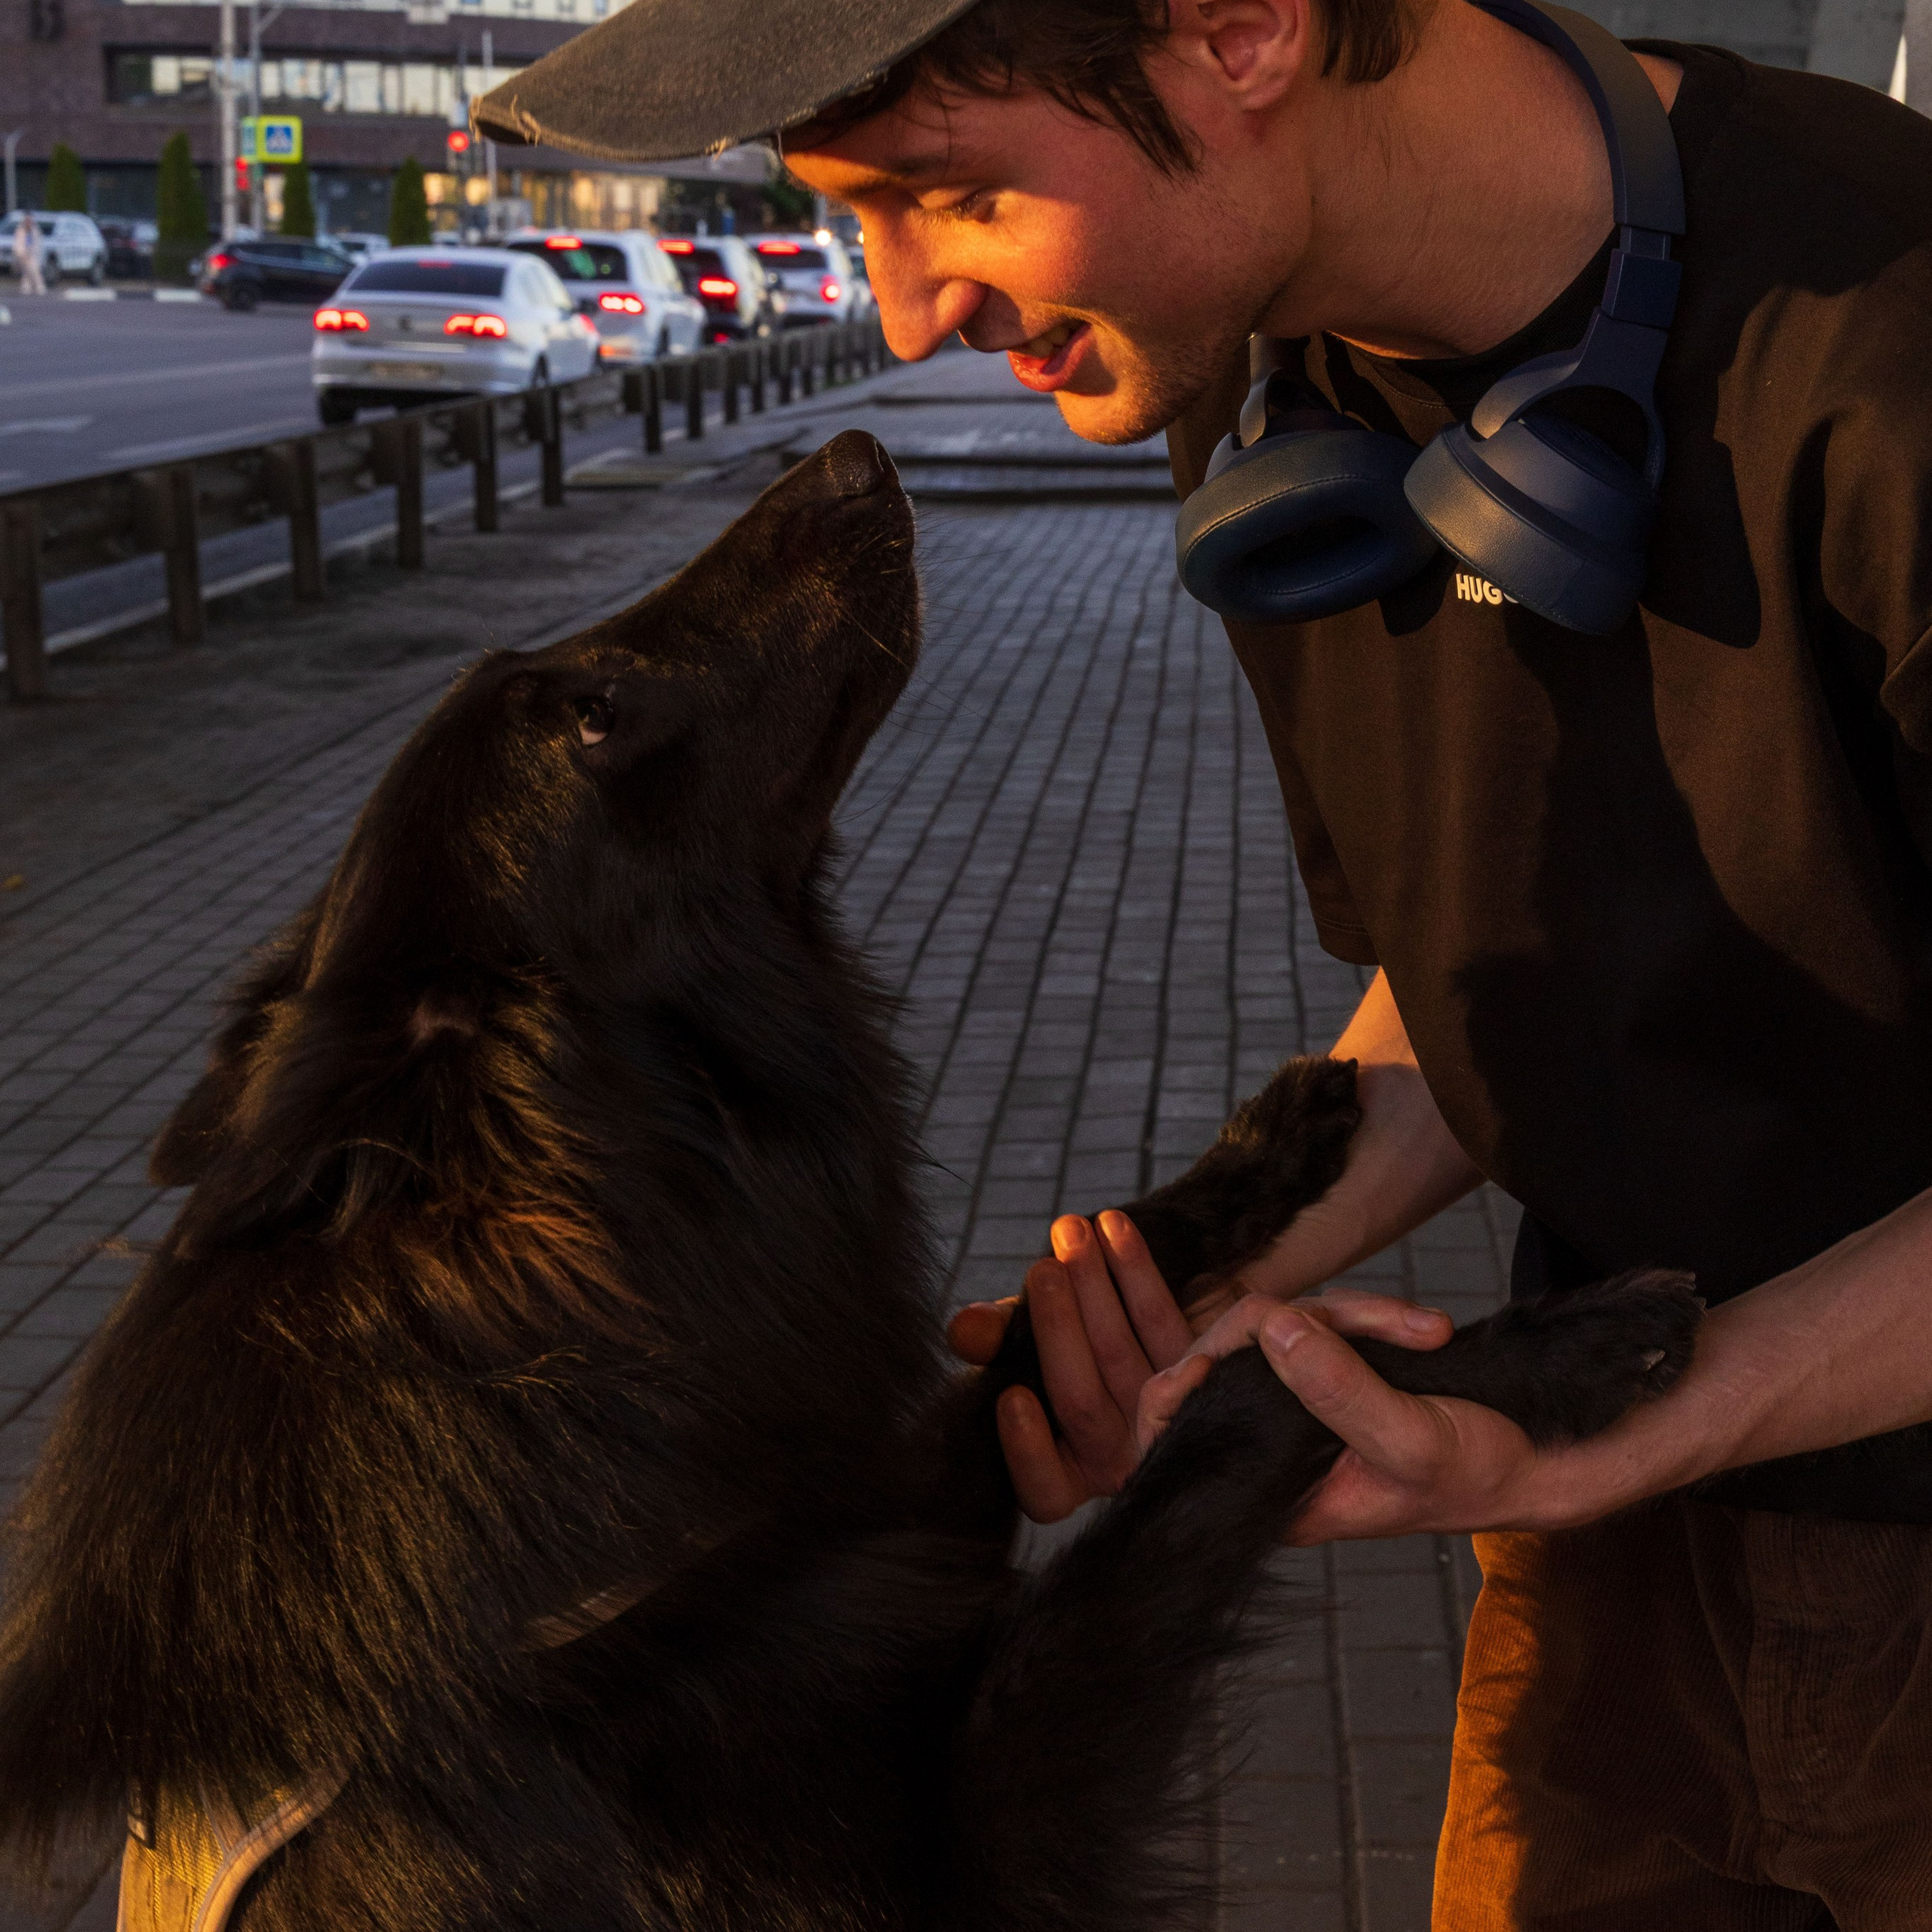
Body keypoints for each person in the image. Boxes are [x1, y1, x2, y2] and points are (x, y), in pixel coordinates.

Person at [477, 2, 1932, 1922]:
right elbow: (1484, 962)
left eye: (946, 194)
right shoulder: (1253, 394)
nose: (906, 316)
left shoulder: (1890, 341)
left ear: (1235, 28)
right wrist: (1193, 1263)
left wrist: (1609, 1424)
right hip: (1625, 1537)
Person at [11, 213, 45, 296]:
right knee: (31, 270)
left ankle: (28, 287)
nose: (28, 223)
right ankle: (37, 286)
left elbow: (37, 244)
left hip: (32, 254)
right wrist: (21, 254)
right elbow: (18, 244)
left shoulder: (35, 231)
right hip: (22, 254)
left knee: (31, 270)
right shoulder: (20, 231)